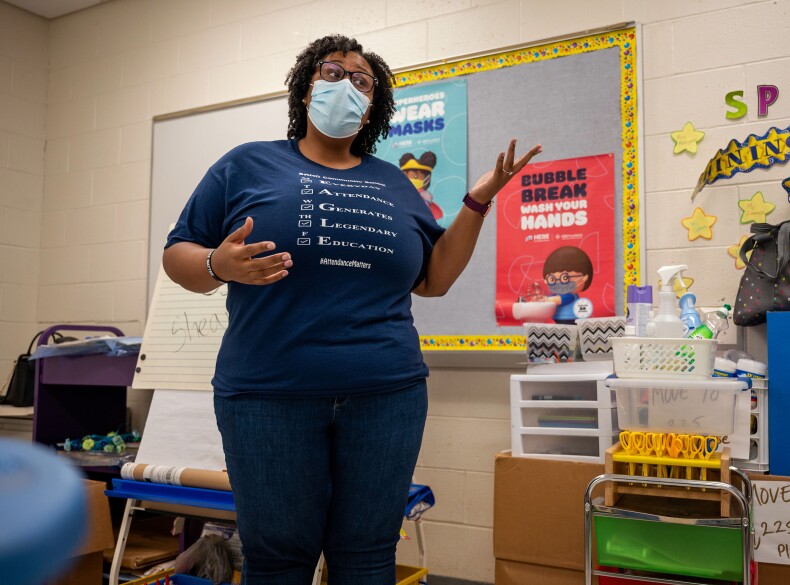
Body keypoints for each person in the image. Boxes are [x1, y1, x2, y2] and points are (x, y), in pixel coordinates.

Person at [163, 34, 541, 585]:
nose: (347, 85)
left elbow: (433, 280)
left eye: (362, 81)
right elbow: (179, 255)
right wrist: (219, 266)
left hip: (385, 396)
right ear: (306, 86)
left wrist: (478, 201)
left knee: (366, 555)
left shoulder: (393, 183)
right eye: (333, 72)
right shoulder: (246, 164)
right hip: (269, 397)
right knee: (277, 559)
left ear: (374, 105)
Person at [542, 245, 594, 324]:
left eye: (565, 278)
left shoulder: (570, 295)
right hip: (559, 318)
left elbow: (560, 299)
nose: (558, 283)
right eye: (552, 279)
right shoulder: (555, 294)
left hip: (572, 318)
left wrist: (546, 300)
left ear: (584, 277)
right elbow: (551, 297)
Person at [399, 151, 443, 221]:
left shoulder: (425, 195)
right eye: (406, 176)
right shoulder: (402, 192)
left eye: (415, 176)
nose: (410, 179)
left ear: (427, 178)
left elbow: (424, 208)